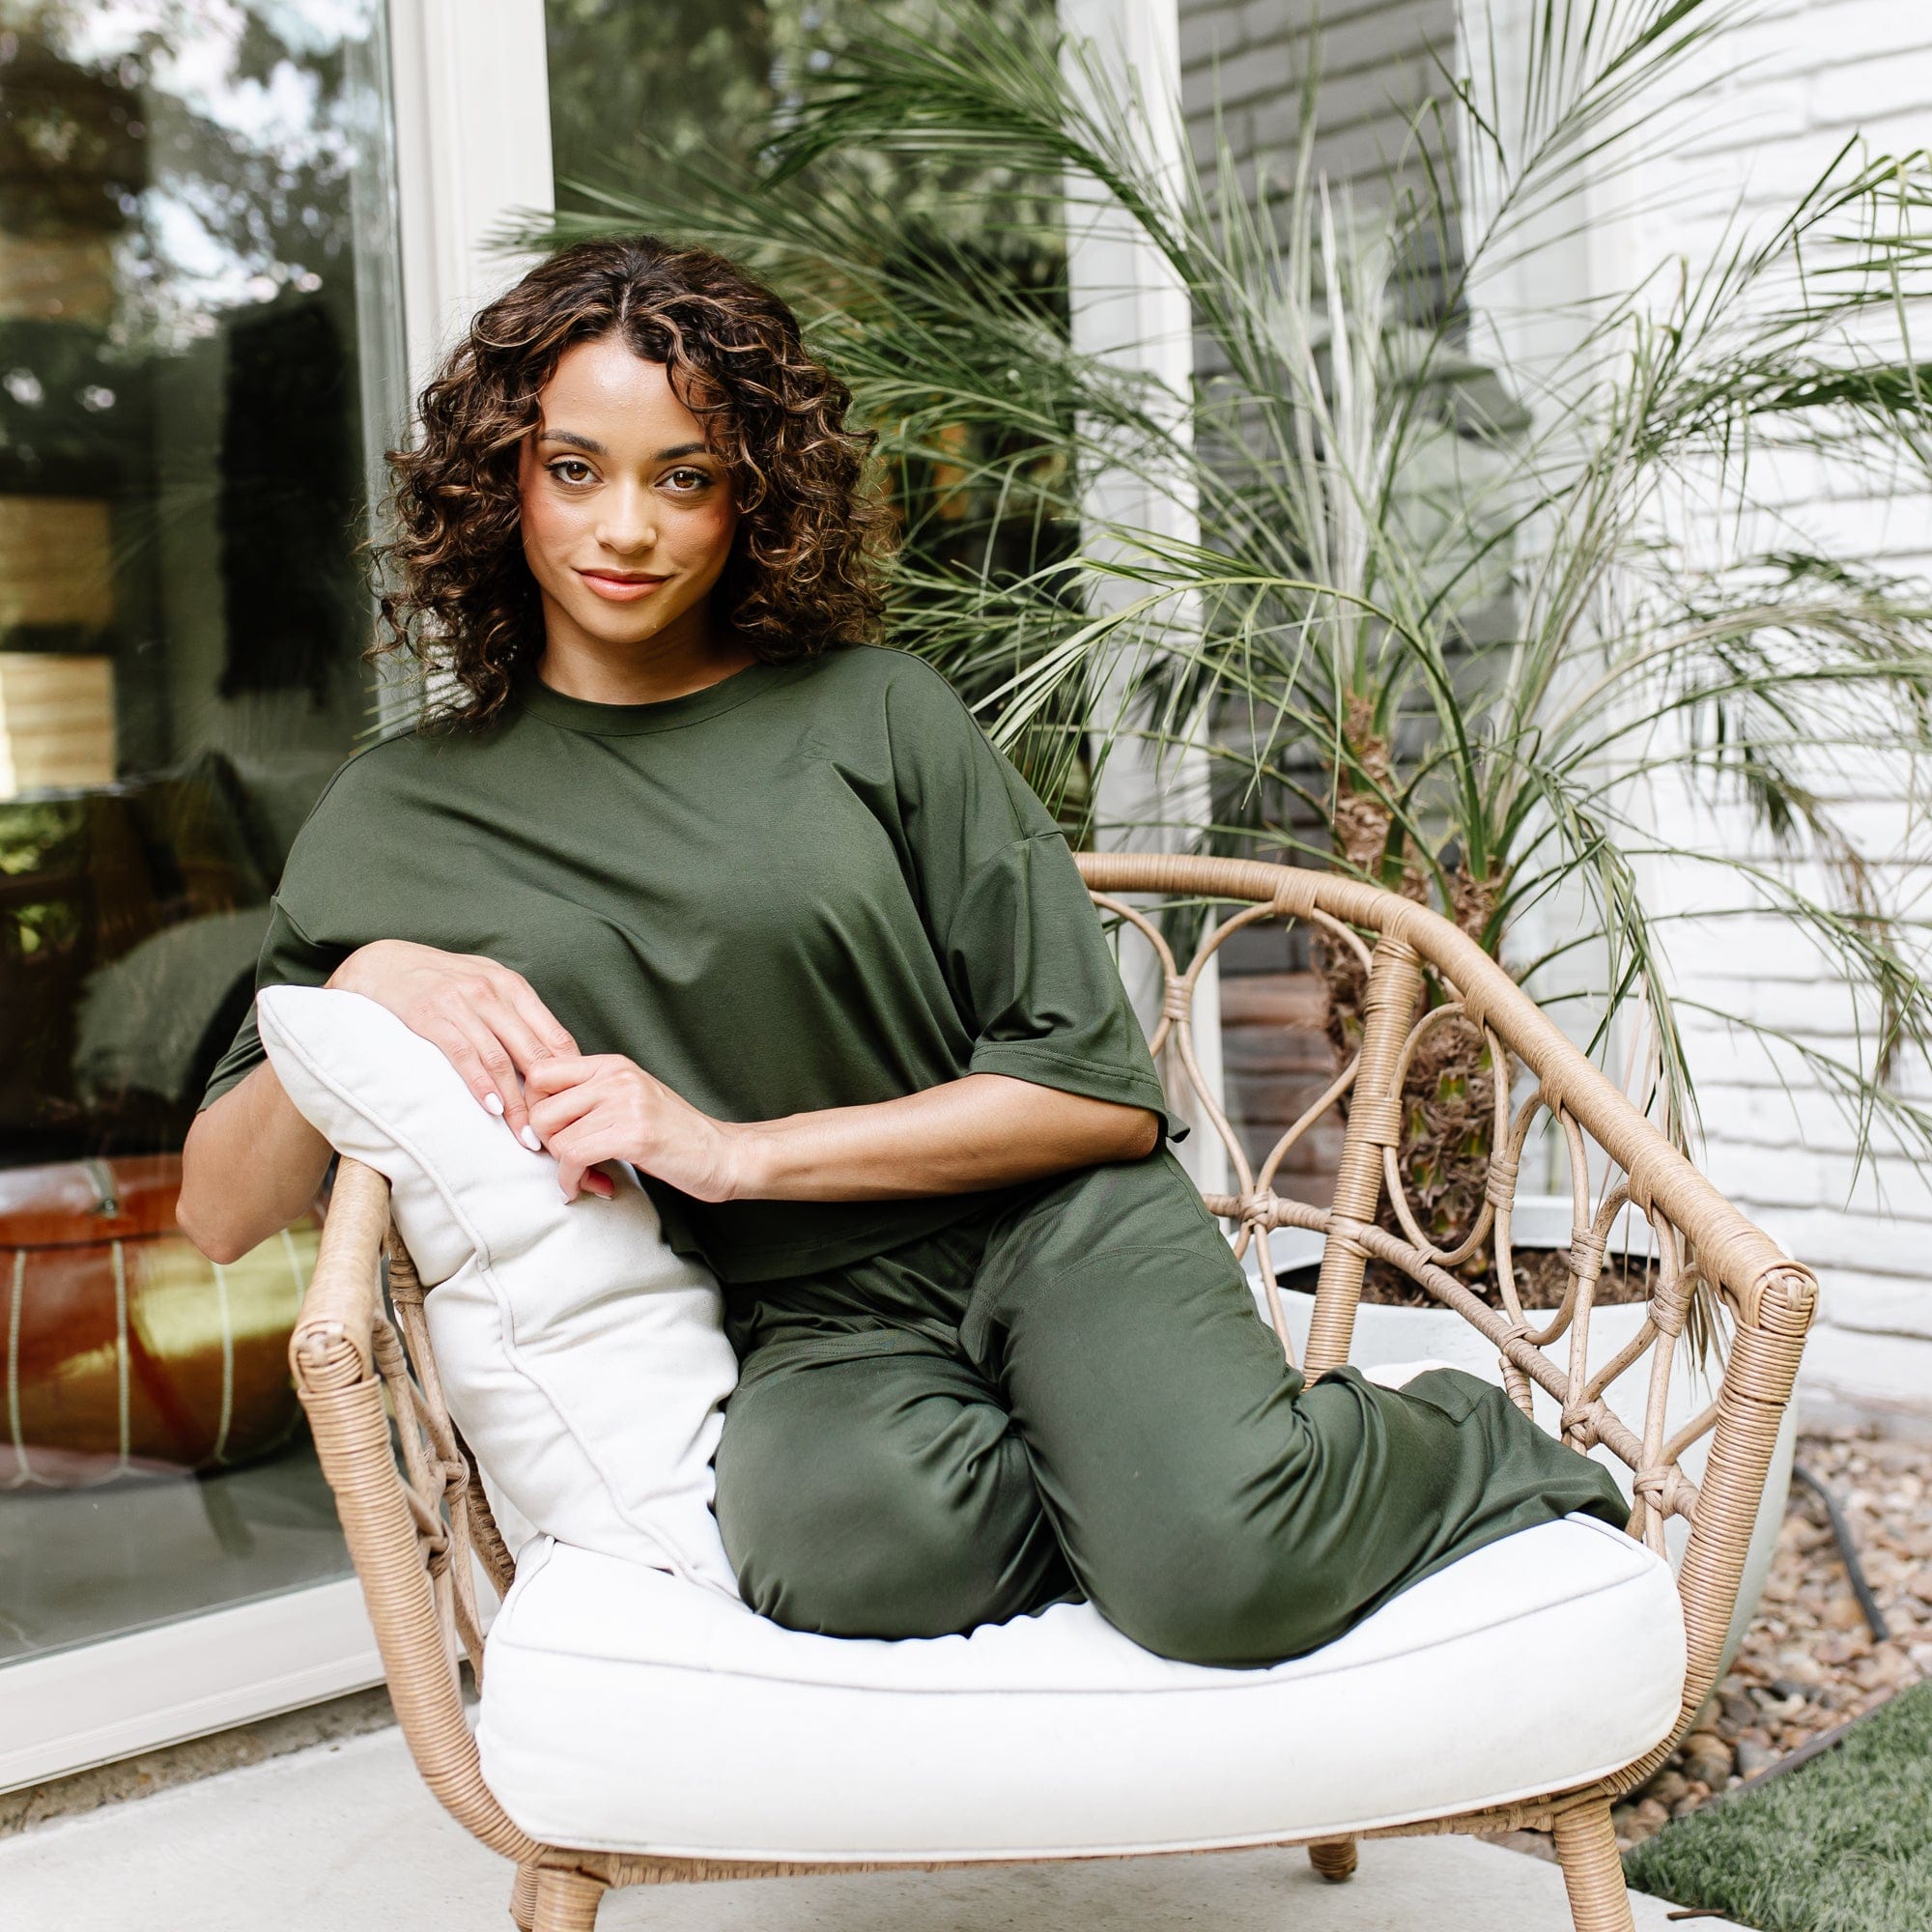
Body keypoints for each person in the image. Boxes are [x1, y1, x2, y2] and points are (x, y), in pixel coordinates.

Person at [180, 234, 1625, 1669]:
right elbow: (219, 1212)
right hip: (813, 1321)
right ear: (499, 481)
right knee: (843, 1561)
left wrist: (731, 1152)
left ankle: (1445, 1434)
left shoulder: (876, 715)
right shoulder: (395, 817)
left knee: (1220, 1582)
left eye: (684, 477)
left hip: (1059, 1227)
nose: (624, 527)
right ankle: (1156, 1479)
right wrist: (364, 986)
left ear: (755, 500)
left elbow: (1097, 1095)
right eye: (575, 469)